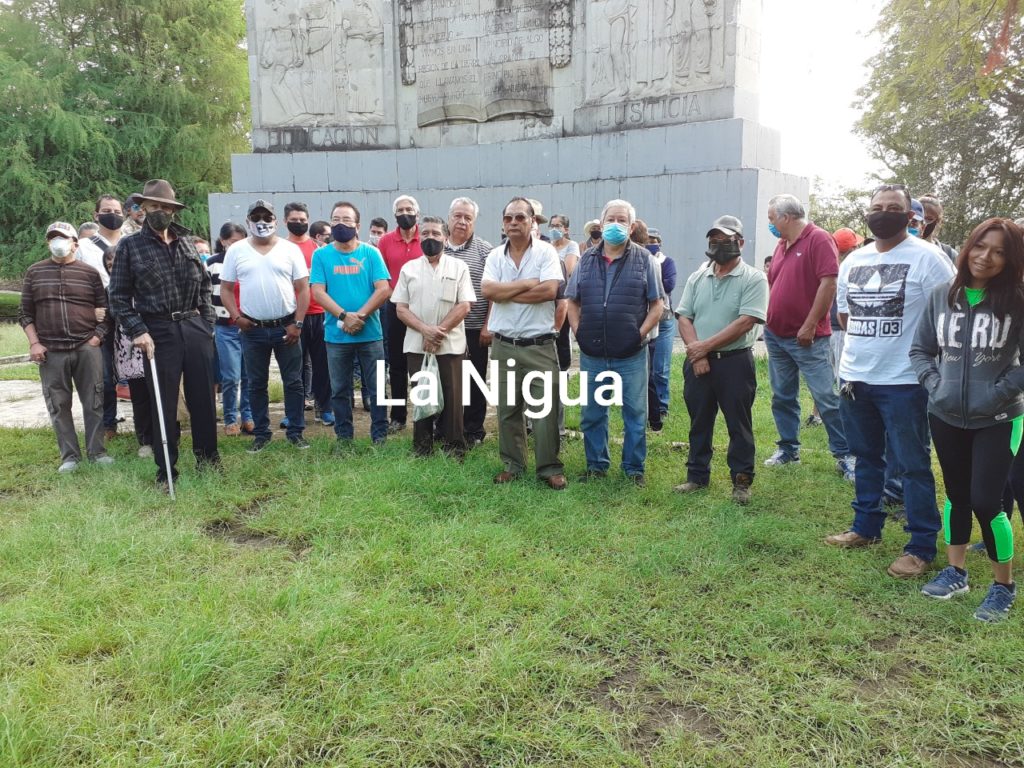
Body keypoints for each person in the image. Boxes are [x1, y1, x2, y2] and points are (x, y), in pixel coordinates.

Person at [825, 183, 955, 578]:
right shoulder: (853, 261)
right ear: (868, 213)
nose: (884, 212)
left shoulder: (929, 259)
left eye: (893, 207)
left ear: (909, 216)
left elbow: (951, 312)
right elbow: (846, 317)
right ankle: (866, 527)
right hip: (856, 377)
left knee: (912, 465)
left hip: (905, 381)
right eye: (877, 206)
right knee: (866, 458)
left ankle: (921, 546)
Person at [910, 217, 1024, 621]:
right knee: (956, 495)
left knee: (985, 501)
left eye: (998, 251)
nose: (986, 257)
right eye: (980, 246)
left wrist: (995, 393)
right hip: (945, 414)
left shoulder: (1017, 300)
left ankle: (1003, 586)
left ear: (1010, 259)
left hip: (998, 418)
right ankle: (956, 571)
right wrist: (935, 385)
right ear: (968, 247)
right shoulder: (943, 294)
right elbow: (920, 350)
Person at [108, 179, 220, 487]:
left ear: (174, 210)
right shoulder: (130, 247)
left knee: (203, 400)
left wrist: (207, 323)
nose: (161, 212)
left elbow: (205, 285)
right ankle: (166, 470)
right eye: (155, 206)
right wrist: (138, 331)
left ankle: (209, 460)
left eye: (167, 207)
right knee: (163, 402)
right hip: (156, 331)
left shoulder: (186, 242)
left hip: (194, 326)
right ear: (143, 209)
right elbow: (117, 297)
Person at [566, 199, 663, 487]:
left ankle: (634, 470)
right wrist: (577, 329)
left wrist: (639, 334)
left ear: (631, 227)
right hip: (593, 353)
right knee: (593, 413)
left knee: (634, 413)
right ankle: (596, 465)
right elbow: (572, 300)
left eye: (622, 220)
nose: (616, 224)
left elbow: (657, 305)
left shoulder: (645, 259)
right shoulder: (586, 260)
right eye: (611, 219)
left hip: (631, 354)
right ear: (602, 222)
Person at [673, 215, 768, 504]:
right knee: (699, 421)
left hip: (734, 362)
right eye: (713, 241)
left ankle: (741, 481)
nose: (718, 246)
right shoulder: (697, 276)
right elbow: (684, 316)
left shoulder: (754, 278)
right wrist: (696, 352)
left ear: (739, 242)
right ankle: (696, 477)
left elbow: (746, 321)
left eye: (725, 241)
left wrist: (704, 348)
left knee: (738, 424)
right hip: (698, 361)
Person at [763, 194, 855, 480]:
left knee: (826, 396)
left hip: (808, 338)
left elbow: (829, 283)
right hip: (776, 335)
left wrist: (810, 324)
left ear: (786, 217)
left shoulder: (818, 239)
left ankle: (846, 455)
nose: (770, 224)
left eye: (771, 218)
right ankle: (788, 449)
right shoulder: (781, 244)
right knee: (782, 396)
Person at [482, 197, 567, 490]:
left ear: (533, 221)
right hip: (504, 345)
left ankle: (549, 468)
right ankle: (512, 465)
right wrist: (527, 283)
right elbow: (487, 290)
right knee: (507, 409)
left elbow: (550, 290)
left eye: (520, 217)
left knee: (544, 409)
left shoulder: (545, 252)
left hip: (539, 345)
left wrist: (505, 293)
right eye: (509, 218)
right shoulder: (495, 256)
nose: (514, 223)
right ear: (503, 224)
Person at [19, 222, 114, 473]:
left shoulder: (90, 274)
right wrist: (34, 343)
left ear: (75, 243)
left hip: (86, 345)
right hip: (50, 351)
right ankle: (70, 456)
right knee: (58, 404)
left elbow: (106, 311)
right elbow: (25, 313)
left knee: (93, 400)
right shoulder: (35, 272)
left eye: (63, 238)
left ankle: (97, 451)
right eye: (53, 238)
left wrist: (97, 337)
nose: (58, 242)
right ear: (47, 243)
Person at [219, 199, 311, 452]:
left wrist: (298, 323)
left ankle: (296, 432)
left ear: (276, 221)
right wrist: (236, 317)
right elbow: (225, 289)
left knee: (293, 381)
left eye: (267, 217)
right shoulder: (237, 250)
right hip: (252, 329)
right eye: (256, 217)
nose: (262, 222)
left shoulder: (289, 249)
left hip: (287, 327)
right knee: (256, 383)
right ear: (248, 221)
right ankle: (261, 433)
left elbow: (303, 288)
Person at [310, 200, 392, 447]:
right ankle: (344, 439)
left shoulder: (370, 253)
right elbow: (318, 291)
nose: (341, 224)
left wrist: (361, 317)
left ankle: (380, 437)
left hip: (371, 334)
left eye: (347, 220)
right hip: (337, 337)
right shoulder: (321, 255)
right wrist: (345, 316)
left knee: (377, 388)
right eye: (336, 219)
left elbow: (383, 289)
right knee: (340, 390)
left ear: (357, 225)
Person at [393, 216, 476, 456]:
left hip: (450, 344)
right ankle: (422, 447)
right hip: (417, 344)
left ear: (446, 238)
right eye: (426, 234)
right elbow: (401, 308)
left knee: (453, 396)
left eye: (436, 234)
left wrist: (438, 332)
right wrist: (425, 330)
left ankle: (454, 446)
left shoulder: (458, 267)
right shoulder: (409, 269)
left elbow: (465, 305)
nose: (431, 238)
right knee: (422, 395)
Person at [76, 194, 126, 440]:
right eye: (107, 210)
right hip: (100, 316)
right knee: (105, 375)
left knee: (139, 373)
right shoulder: (83, 247)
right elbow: (77, 284)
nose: (113, 214)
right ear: (96, 215)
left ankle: (148, 424)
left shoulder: (133, 241)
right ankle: (108, 423)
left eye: (117, 210)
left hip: (131, 312)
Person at [445, 197, 493, 446]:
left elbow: (492, 293)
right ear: (449, 217)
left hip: (475, 329)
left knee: (474, 380)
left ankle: (473, 430)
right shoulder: (437, 248)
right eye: (457, 216)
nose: (462, 222)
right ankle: (446, 427)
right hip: (444, 330)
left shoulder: (486, 251)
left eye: (468, 218)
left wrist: (488, 325)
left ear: (474, 222)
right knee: (446, 381)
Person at [284, 201, 333, 427]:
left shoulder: (319, 250)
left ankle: (325, 409)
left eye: (303, 220)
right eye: (294, 220)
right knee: (294, 366)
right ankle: (293, 412)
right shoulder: (281, 249)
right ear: (285, 221)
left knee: (323, 365)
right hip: (293, 317)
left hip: (320, 314)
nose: (299, 223)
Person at [377, 194, 423, 433]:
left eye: (409, 209)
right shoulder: (385, 241)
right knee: (396, 363)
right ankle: (398, 416)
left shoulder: (426, 237)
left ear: (417, 212)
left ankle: (424, 413)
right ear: (394, 214)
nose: (405, 213)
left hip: (421, 310)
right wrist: (398, 299)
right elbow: (383, 276)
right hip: (394, 308)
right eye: (400, 209)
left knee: (422, 362)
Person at [206, 222, 253, 436]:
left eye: (242, 240)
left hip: (250, 326)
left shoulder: (250, 262)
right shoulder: (212, 264)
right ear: (223, 241)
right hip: (225, 327)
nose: (238, 245)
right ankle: (230, 418)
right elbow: (204, 296)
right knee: (231, 375)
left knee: (249, 375)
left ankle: (249, 416)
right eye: (233, 241)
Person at [646, 226, 677, 428]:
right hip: (647, 319)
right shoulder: (642, 261)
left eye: (654, 240)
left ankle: (662, 405)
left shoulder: (667, 262)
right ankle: (649, 406)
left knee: (661, 368)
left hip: (664, 320)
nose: (651, 243)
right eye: (648, 239)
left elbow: (668, 284)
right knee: (646, 368)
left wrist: (653, 272)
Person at [918, 194, 959, 263]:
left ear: (938, 221)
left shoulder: (950, 254)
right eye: (919, 217)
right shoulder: (901, 249)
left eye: (928, 219)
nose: (923, 223)